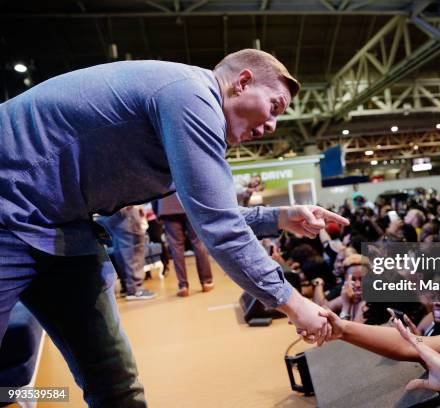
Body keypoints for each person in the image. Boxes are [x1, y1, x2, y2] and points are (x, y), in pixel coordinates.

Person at [0, 49, 348, 406]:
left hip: (61, 228)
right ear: (243, 82)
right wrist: (292, 302)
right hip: (6, 209)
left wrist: (278, 217)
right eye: (274, 107)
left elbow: (212, 210)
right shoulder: (192, 96)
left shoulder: (189, 113)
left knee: (115, 382)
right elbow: (220, 227)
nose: (273, 125)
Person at [154, 193, 214, 297]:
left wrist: (157, 210)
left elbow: (153, 189)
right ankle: (206, 282)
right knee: (198, 242)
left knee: (176, 247)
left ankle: (183, 286)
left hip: (167, 206)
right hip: (188, 201)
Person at [97, 206, 157, 300]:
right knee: (134, 246)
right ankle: (135, 289)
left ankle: (126, 286)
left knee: (121, 247)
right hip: (124, 209)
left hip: (108, 212)